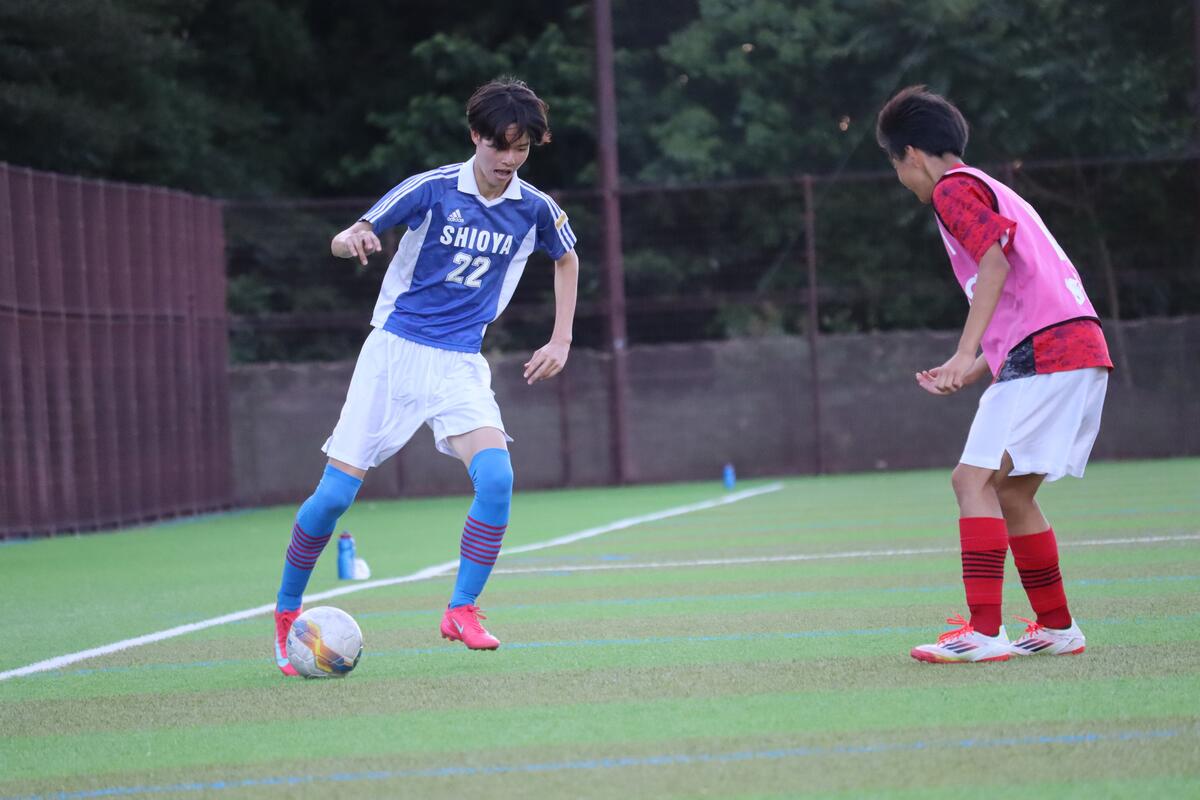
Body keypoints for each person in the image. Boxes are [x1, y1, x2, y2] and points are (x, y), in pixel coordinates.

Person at [272, 78, 579, 674]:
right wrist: (354, 239)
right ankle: (287, 614)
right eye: (499, 146)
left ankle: (461, 608)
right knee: (333, 498)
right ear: (475, 136)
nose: (509, 160)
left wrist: (561, 338)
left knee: (497, 478)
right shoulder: (432, 188)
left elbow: (566, 257)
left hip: (460, 363)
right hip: (393, 355)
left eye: (521, 149)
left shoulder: (536, 208)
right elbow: (346, 237)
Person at [875, 85, 1112, 663]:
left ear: (911, 154)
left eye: (895, 164)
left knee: (971, 481)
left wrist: (964, 353)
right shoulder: (993, 187)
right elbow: (1024, 294)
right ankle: (1058, 627)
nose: (901, 177)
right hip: (1074, 345)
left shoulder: (952, 189)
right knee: (1011, 489)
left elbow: (995, 263)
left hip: (1048, 351)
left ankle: (983, 632)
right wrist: (979, 365)